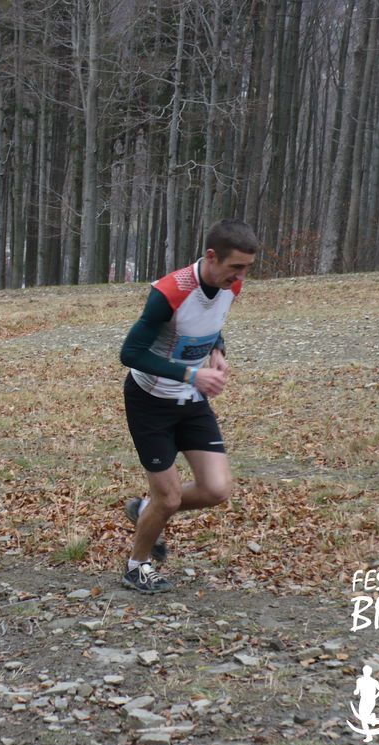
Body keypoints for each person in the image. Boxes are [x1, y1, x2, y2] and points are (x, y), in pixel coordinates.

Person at [118, 219, 258, 593]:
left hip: (190, 400)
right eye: (236, 267)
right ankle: (136, 566)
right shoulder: (168, 293)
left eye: (247, 268)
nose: (241, 277)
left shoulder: (230, 284)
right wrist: (192, 375)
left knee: (216, 489)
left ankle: (145, 509)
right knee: (169, 497)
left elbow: (211, 323)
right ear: (212, 256)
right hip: (150, 402)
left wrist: (218, 351)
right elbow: (130, 353)